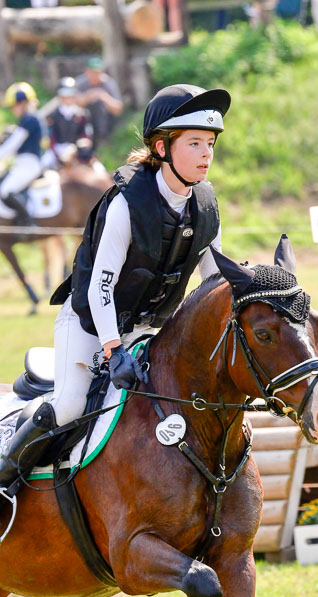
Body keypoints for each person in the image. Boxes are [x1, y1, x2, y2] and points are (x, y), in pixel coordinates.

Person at [0, 83, 231, 498]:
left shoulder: (205, 205)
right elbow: (101, 287)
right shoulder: (126, 203)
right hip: (92, 323)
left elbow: (215, 278)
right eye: (194, 143)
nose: (206, 154)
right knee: (71, 404)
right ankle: (5, 477)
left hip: (148, 330)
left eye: (210, 143)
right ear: (161, 149)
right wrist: (113, 348)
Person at [0, 82, 43, 229]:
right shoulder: (27, 119)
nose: (13, 110)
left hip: (29, 164)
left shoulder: (29, 119)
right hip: (22, 163)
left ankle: (28, 222)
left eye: (14, 105)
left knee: (6, 190)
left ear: (23, 103)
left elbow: (12, 145)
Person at [42, 77, 94, 168]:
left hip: (77, 149)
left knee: (98, 168)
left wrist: (83, 143)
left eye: (70, 95)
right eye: (65, 95)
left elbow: (86, 135)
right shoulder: (53, 116)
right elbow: (51, 138)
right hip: (57, 149)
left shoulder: (82, 114)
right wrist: (56, 153)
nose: (68, 98)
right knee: (43, 163)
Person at [75, 57, 123, 149]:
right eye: (93, 72)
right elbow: (73, 103)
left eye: (98, 72)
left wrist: (103, 96)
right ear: (87, 71)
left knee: (99, 105)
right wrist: (88, 97)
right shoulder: (80, 82)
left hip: (105, 120)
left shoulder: (108, 83)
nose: (96, 75)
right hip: (84, 119)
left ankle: (102, 140)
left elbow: (118, 109)